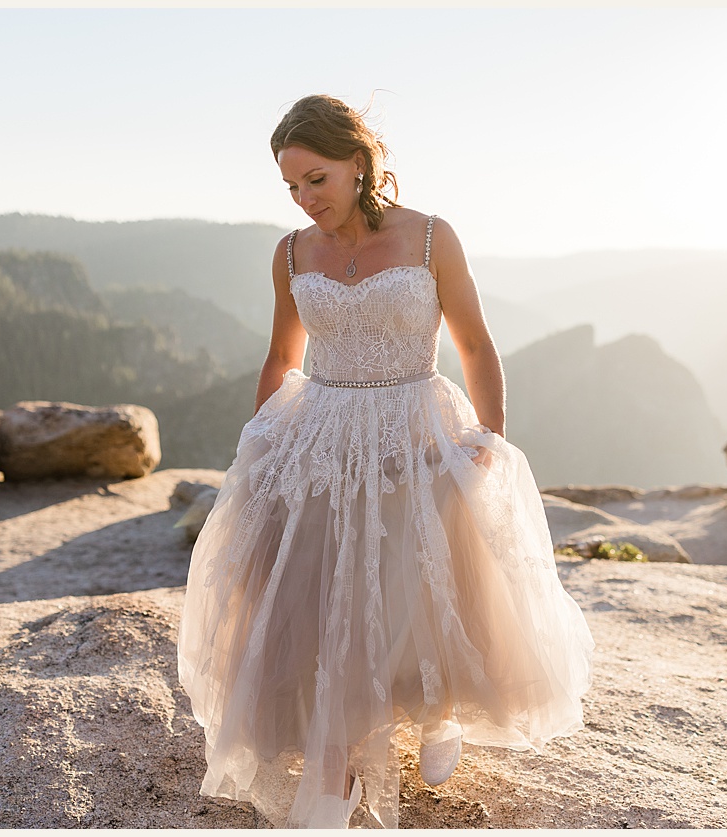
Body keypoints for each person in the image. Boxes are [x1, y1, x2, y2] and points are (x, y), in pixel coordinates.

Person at [177, 94, 593, 828]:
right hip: (324, 429)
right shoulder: (290, 253)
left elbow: (475, 345)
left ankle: (437, 710)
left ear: (359, 165)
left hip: (415, 427)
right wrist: (259, 447)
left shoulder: (432, 238)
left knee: (418, 586)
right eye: (292, 188)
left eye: (317, 180)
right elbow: (282, 354)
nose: (306, 201)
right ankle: (334, 778)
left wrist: (490, 437)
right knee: (329, 599)